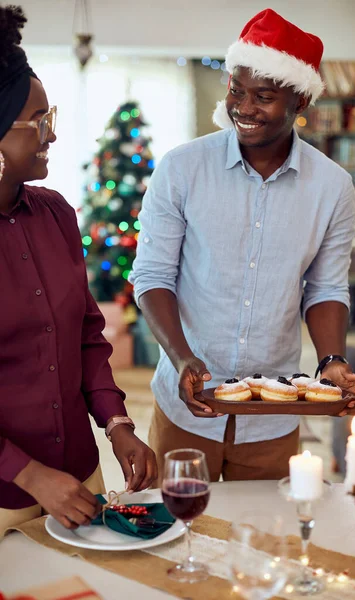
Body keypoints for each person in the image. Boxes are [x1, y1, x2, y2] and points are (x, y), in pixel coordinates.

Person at [130, 8, 355, 485]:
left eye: (264, 96)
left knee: (260, 546)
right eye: (236, 89)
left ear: (300, 101)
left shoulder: (333, 187)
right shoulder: (181, 168)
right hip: (186, 406)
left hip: (273, 416)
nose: (243, 107)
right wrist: (181, 356)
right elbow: (152, 277)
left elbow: (325, 289)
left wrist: (332, 360)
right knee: (176, 537)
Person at [0, 5, 157, 537]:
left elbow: (87, 335)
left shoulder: (57, 213)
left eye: (52, 118)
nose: (52, 135)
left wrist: (116, 423)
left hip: (80, 478)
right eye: (39, 122)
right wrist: (31, 476)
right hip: (6, 496)